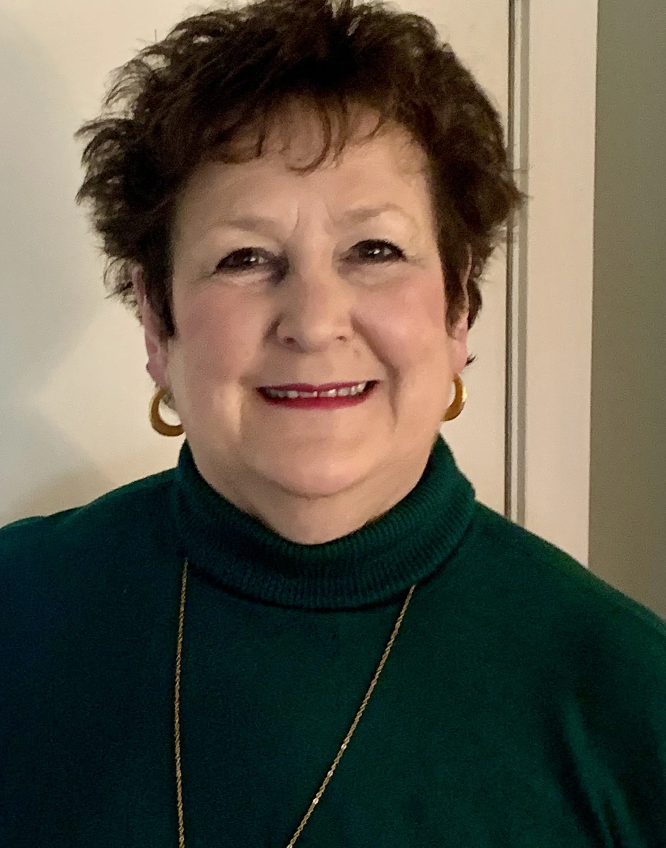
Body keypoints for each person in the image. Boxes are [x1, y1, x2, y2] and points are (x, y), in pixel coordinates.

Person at [2, 0, 665, 844]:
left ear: (459, 306)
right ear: (157, 319)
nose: (314, 321)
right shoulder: (17, 612)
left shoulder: (627, 698)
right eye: (246, 258)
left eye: (374, 251)